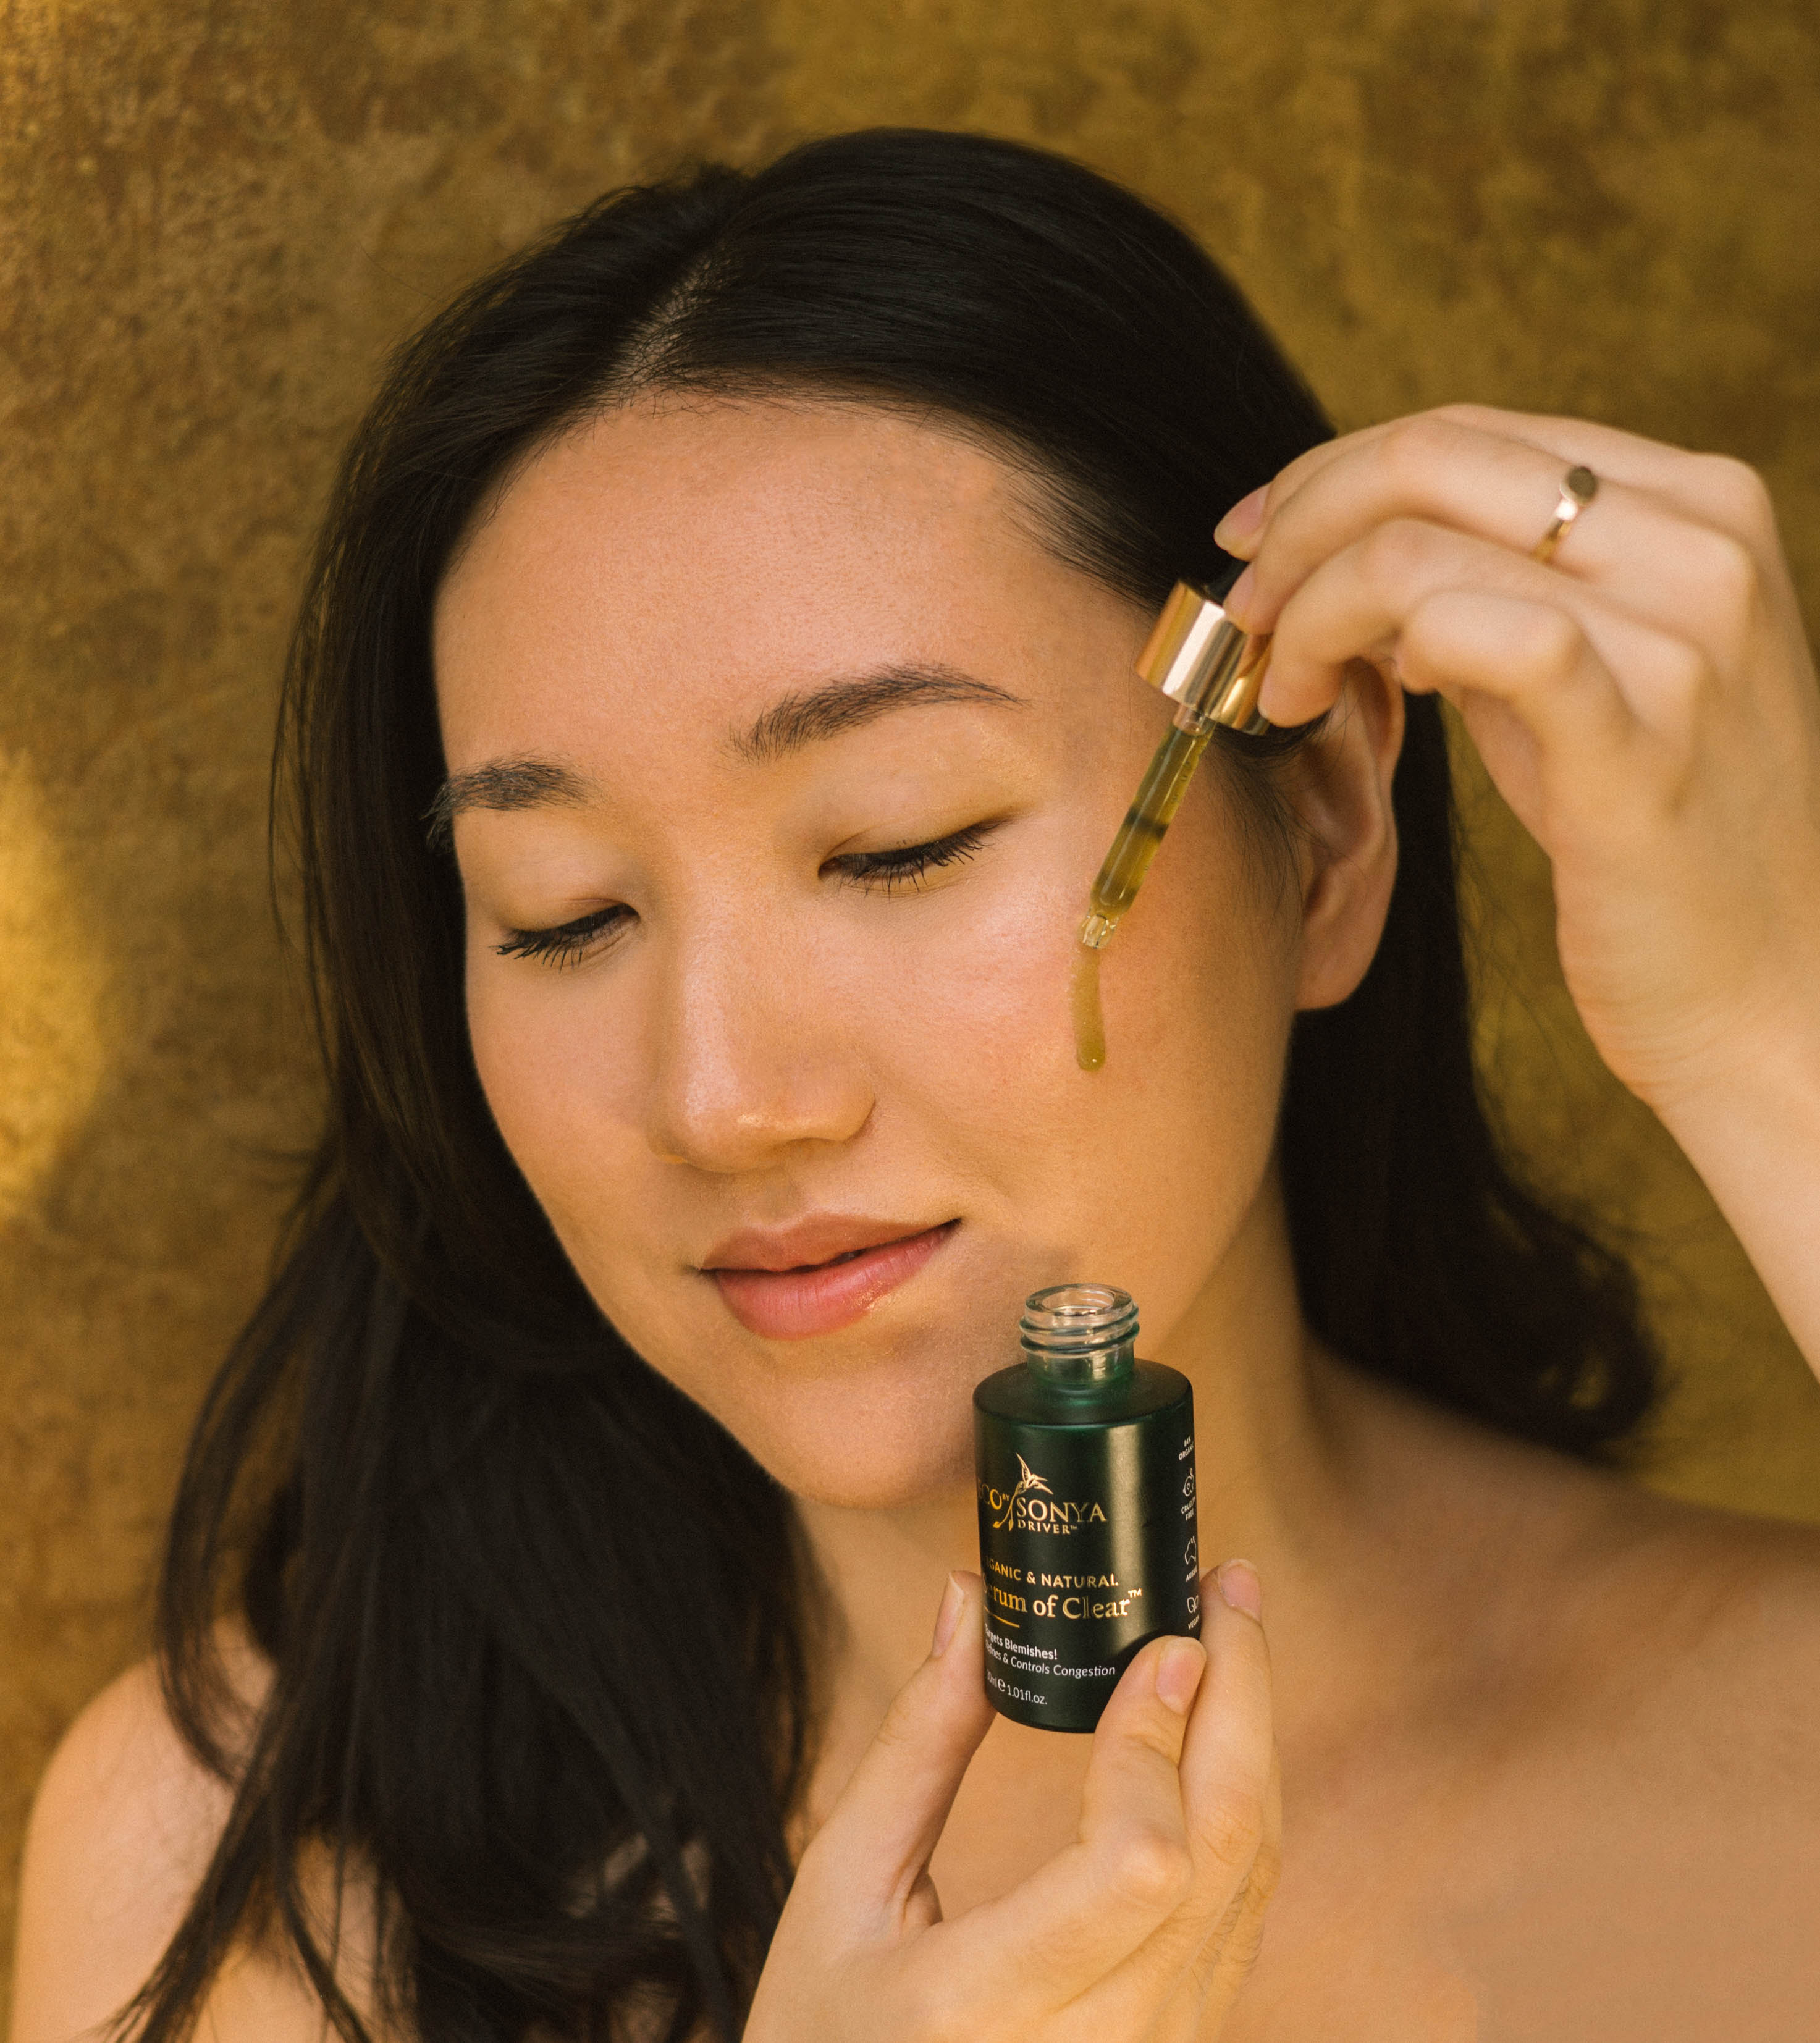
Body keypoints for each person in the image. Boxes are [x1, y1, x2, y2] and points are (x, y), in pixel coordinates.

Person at [12, 125, 1820, 2043]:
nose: (720, 1098)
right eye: (560, 916)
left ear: (1326, 822)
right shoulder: (264, 1869)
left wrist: (1768, 1030)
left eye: (894, 844)